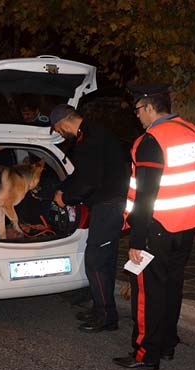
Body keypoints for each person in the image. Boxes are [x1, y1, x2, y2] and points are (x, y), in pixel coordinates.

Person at [112, 84, 195, 370]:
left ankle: (145, 353)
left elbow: (145, 195)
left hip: (157, 228)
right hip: (186, 225)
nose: (137, 116)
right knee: (171, 288)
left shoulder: (151, 140)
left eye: (138, 110)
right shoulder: (192, 131)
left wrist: (136, 241)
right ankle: (166, 344)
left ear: (150, 106)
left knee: (148, 293)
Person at [50, 104, 130, 333]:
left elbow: (88, 182)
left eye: (57, 129)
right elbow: (81, 173)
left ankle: (106, 317)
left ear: (64, 122)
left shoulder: (89, 139)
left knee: (97, 261)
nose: (59, 134)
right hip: (109, 204)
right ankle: (101, 310)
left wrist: (67, 199)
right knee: (102, 260)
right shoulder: (93, 133)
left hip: (109, 206)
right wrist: (61, 188)